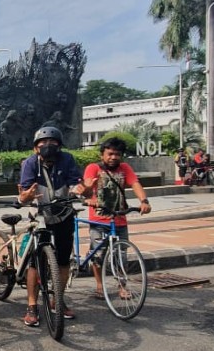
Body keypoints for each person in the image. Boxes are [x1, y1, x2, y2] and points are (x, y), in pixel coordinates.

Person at [17, 126, 82, 327]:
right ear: (36, 148)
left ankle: (58, 299)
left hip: (63, 213)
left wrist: (80, 189)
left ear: (60, 146)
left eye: (53, 143)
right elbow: (24, 193)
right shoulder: (30, 164)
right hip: (40, 214)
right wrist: (25, 197)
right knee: (35, 263)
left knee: (63, 260)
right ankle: (31, 305)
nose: (48, 146)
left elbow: (75, 184)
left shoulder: (67, 160)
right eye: (42, 143)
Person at [73, 137, 151, 299]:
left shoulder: (125, 168)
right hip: (98, 220)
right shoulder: (93, 168)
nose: (113, 157)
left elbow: (135, 184)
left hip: (119, 219)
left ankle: (122, 287)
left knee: (121, 254)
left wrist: (144, 201)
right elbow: (87, 184)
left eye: (117, 154)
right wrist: (88, 195)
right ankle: (100, 286)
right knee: (98, 254)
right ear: (102, 155)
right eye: (110, 154)